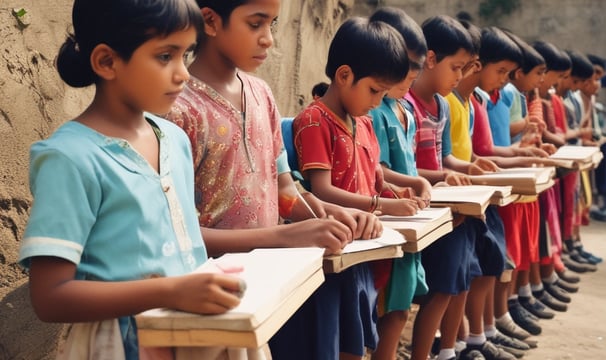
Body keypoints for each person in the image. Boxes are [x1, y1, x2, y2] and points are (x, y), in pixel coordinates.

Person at [17, 1, 246, 359]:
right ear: (107, 62)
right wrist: (170, 292)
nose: (184, 73)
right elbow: (50, 298)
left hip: (197, 338)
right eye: (165, 56)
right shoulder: (71, 157)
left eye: (186, 54)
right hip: (122, 347)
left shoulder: (175, 139)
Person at [166, 2, 382, 360]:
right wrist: (285, 236)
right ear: (211, 21)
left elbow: (285, 192)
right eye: (256, 24)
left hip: (274, 282)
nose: (268, 39)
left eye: (272, 24)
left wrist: (327, 217)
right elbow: (181, 237)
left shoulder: (262, 94)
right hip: (214, 300)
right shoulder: (179, 110)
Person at [292, 16, 427, 360]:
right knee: (338, 341)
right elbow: (321, 190)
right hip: (336, 253)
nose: (378, 101)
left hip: (367, 250)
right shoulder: (314, 120)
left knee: (362, 334)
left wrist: (405, 189)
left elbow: (376, 176)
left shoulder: (364, 122)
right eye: (374, 90)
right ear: (344, 75)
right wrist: (381, 205)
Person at [367, 7, 432, 360]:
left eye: (413, 68)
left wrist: (416, 183)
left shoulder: (402, 108)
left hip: (408, 217)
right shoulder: (374, 108)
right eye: (402, 66)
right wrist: (412, 182)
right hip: (386, 220)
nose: (408, 76)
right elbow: (376, 169)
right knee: (386, 309)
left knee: (401, 307)